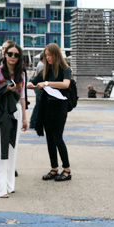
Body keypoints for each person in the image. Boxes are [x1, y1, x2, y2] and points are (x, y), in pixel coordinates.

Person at [0, 42, 28, 198]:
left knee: (12, 148)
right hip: (0, 112)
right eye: (10, 54)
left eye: (16, 55)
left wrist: (24, 117)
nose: (13, 57)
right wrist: (5, 89)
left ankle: (9, 184)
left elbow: (23, 96)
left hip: (15, 112)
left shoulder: (21, 75)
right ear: (4, 54)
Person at [27, 43, 72, 181]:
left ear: (56, 54)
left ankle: (67, 170)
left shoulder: (65, 69)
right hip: (47, 107)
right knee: (50, 139)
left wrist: (46, 83)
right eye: (46, 56)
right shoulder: (46, 70)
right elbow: (33, 81)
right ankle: (54, 168)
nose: (48, 58)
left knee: (57, 137)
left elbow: (65, 84)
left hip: (60, 108)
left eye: (50, 55)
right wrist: (30, 84)